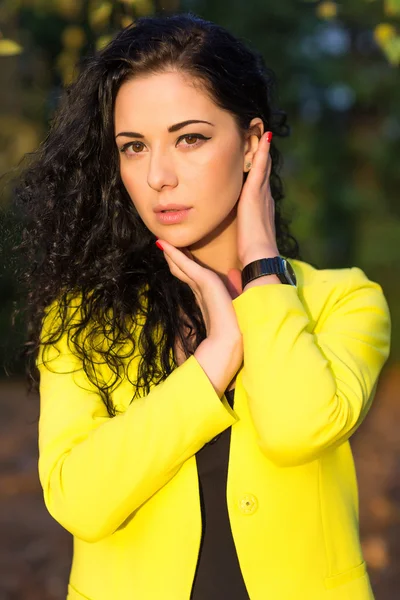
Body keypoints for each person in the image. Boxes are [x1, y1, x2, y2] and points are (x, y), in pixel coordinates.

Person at [15, 11, 391, 600]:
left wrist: (262, 260)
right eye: (134, 147)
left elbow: (297, 428)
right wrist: (216, 359)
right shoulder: (83, 317)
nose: (158, 175)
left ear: (249, 145)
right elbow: (80, 502)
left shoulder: (343, 300)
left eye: (189, 138)